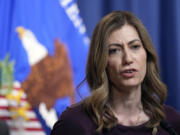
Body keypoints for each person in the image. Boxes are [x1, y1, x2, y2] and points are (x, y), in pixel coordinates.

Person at [50, 11, 180, 135]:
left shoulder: (170, 122)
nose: (128, 59)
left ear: (147, 54)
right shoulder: (75, 123)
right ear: (101, 61)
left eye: (135, 47)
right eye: (114, 50)